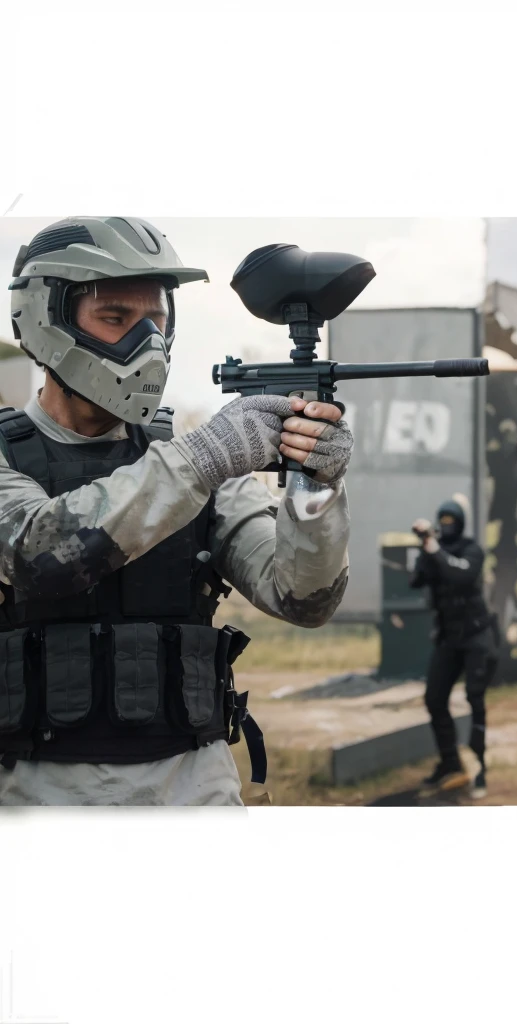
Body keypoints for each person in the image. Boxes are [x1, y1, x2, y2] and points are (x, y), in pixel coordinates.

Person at [0, 216, 354, 806]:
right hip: (35, 793)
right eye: (115, 318)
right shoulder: (12, 455)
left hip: (193, 790)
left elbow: (303, 598)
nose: (146, 344)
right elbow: (39, 555)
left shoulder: (194, 463)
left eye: (156, 322)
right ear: (46, 319)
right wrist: (203, 458)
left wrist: (313, 486)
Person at [410, 499, 498, 798]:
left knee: (475, 701)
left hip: (476, 638)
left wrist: (435, 550)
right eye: (442, 519)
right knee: (434, 698)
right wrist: (425, 546)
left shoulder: (472, 549)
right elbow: (416, 580)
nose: (446, 524)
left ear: (459, 522)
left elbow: (460, 575)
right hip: (448, 639)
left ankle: (480, 769)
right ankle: (450, 763)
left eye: (451, 519)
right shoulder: (434, 551)